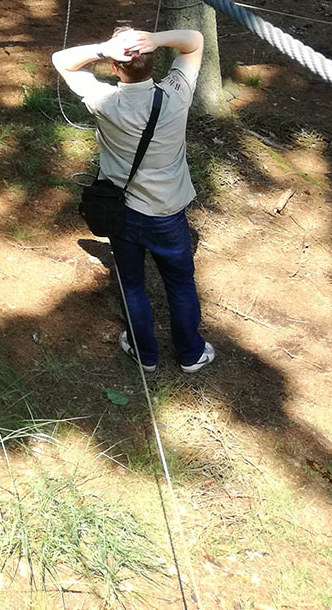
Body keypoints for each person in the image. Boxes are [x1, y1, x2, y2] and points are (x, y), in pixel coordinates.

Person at [52, 26, 215, 376]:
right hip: (168, 215)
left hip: (122, 213)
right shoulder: (177, 92)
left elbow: (61, 61)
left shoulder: (103, 99)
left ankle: (145, 354)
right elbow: (195, 41)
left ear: (114, 66)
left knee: (132, 283)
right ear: (153, 61)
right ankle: (190, 354)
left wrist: (102, 46)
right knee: (181, 283)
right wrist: (155, 39)